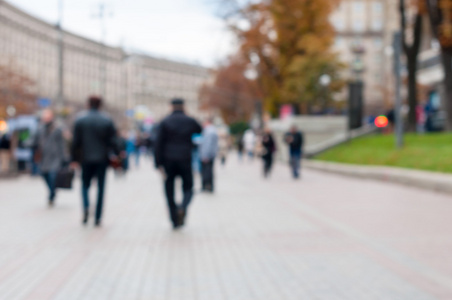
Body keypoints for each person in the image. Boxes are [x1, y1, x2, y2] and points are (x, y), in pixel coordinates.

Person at [154, 98, 202, 229]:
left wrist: (158, 163)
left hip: (168, 160)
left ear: (171, 106)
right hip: (185, 158)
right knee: (188, 187)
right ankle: (183, 207)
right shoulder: (190, 121)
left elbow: (158, 143)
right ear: (183, 106)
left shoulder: (165, 121)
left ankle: (174, 220)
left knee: (169, 190)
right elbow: (199, 131)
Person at [71, 96, 118, 226]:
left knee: (85, 185)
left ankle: (86, 207)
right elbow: (113, 141)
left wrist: (74, 159)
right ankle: (98, 216)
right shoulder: (107, 120)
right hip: (102, 159)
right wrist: (117, 155)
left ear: (88, 104)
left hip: (85, 158)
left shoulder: (81, 119)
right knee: (101, 188)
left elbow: (75, 142)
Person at [35, 109, 66, 206]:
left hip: (54, 156)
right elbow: (35, 140)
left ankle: (52, 194)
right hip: (44, 156)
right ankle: (52, 190)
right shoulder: (40, 128)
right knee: (44, 175)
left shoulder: (57, 129)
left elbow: (61, 144)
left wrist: (63, 157)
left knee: (52, 175)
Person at [199, 118, 218, 192]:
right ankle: (208, 186)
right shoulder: (212, 130)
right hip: (210, 154)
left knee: (207, 171)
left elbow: (208, 144)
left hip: (207, 155)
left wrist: (205, 155)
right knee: (209, 171)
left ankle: (207, 186)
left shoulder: (209, 131)